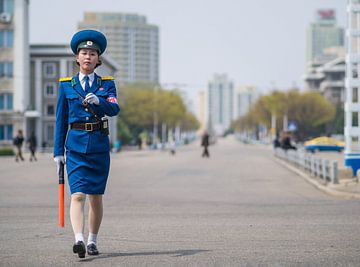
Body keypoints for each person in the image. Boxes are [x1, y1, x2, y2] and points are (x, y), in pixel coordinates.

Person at [53, 29, 120, 258]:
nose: (88, 56)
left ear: (98, 59)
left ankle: (92, 240)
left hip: (99, 147)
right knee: (78, 195)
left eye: (92, 53)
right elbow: (61, 120)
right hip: (75, 147)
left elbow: (114, 109)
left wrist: (99, 101)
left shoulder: (107, 84)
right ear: (77, 58)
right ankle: (78, 240)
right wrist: (57, 152)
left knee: (95, 197)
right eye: (84, 52)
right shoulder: (66, 85)